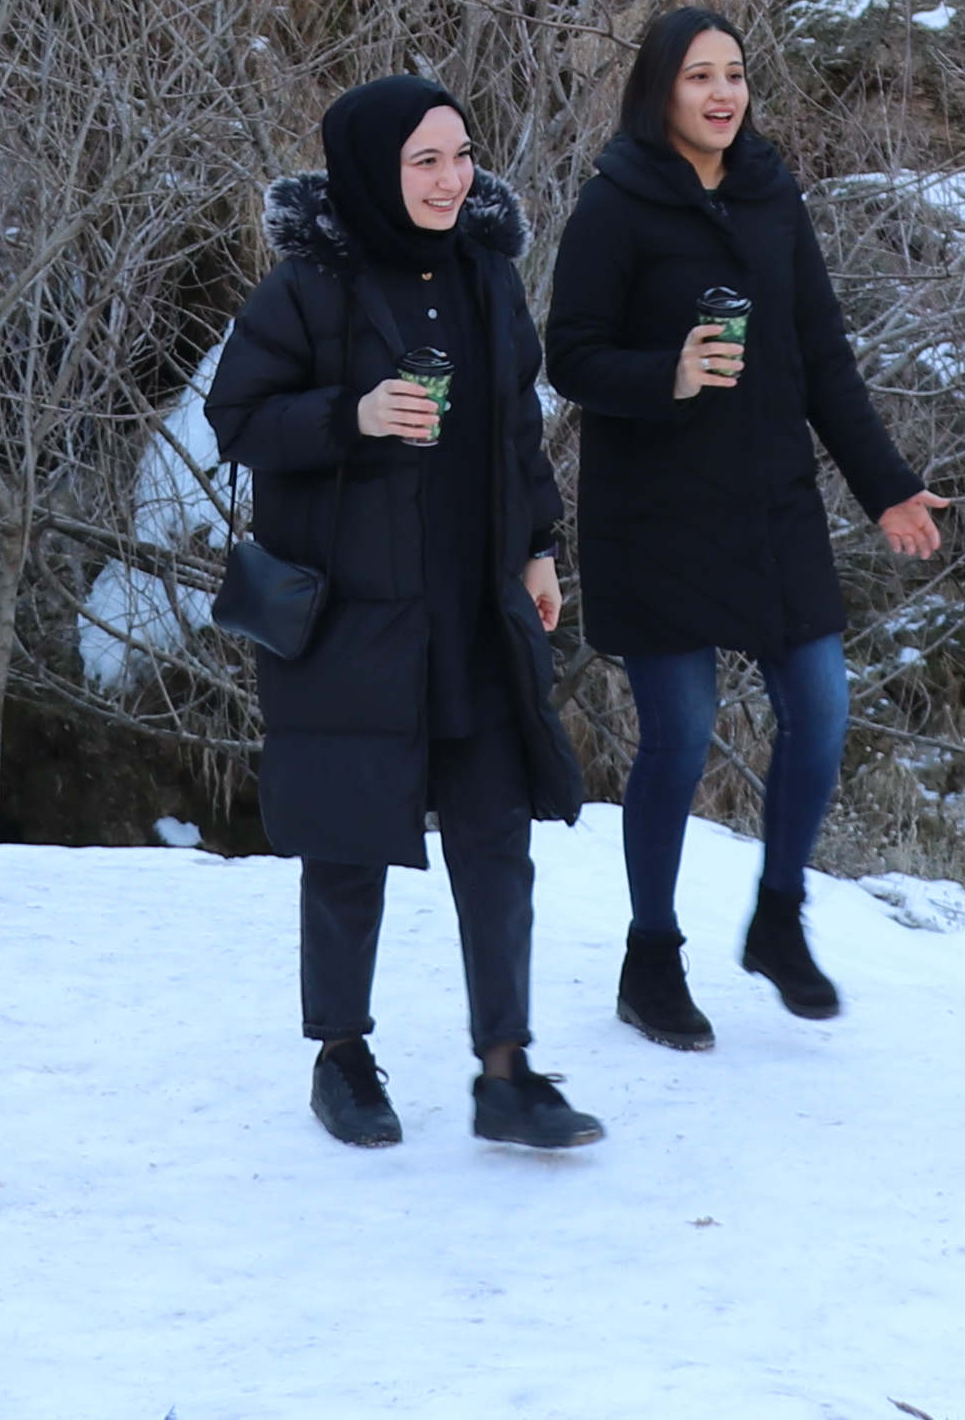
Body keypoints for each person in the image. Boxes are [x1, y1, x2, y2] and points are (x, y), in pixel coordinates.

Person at [206, 71, 604, 1153]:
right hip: (351, 619)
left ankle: (506, 1069)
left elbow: (518, 428)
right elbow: (235, 414)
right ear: (376, 170)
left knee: (496, 838)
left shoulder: (487, 276)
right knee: (347, 844)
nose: (449, 177)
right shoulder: (309, 288)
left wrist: (537, 545)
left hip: (472, 605)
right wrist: (354, 411)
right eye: (424, 159)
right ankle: (341, 1059)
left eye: (461, 155)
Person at [540, 4, 945, 1049]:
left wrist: (887, 486)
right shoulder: (616, 206)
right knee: (675, 742)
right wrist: (668, 372)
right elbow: (571, 356)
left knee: (821, 707)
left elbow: (823, 358)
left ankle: (777, 916)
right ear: (658, 92)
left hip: (773, 508)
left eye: (735, 73)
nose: (723, 93)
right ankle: (651, 957)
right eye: (698, 76)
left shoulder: (771, 196)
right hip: (658, 514)